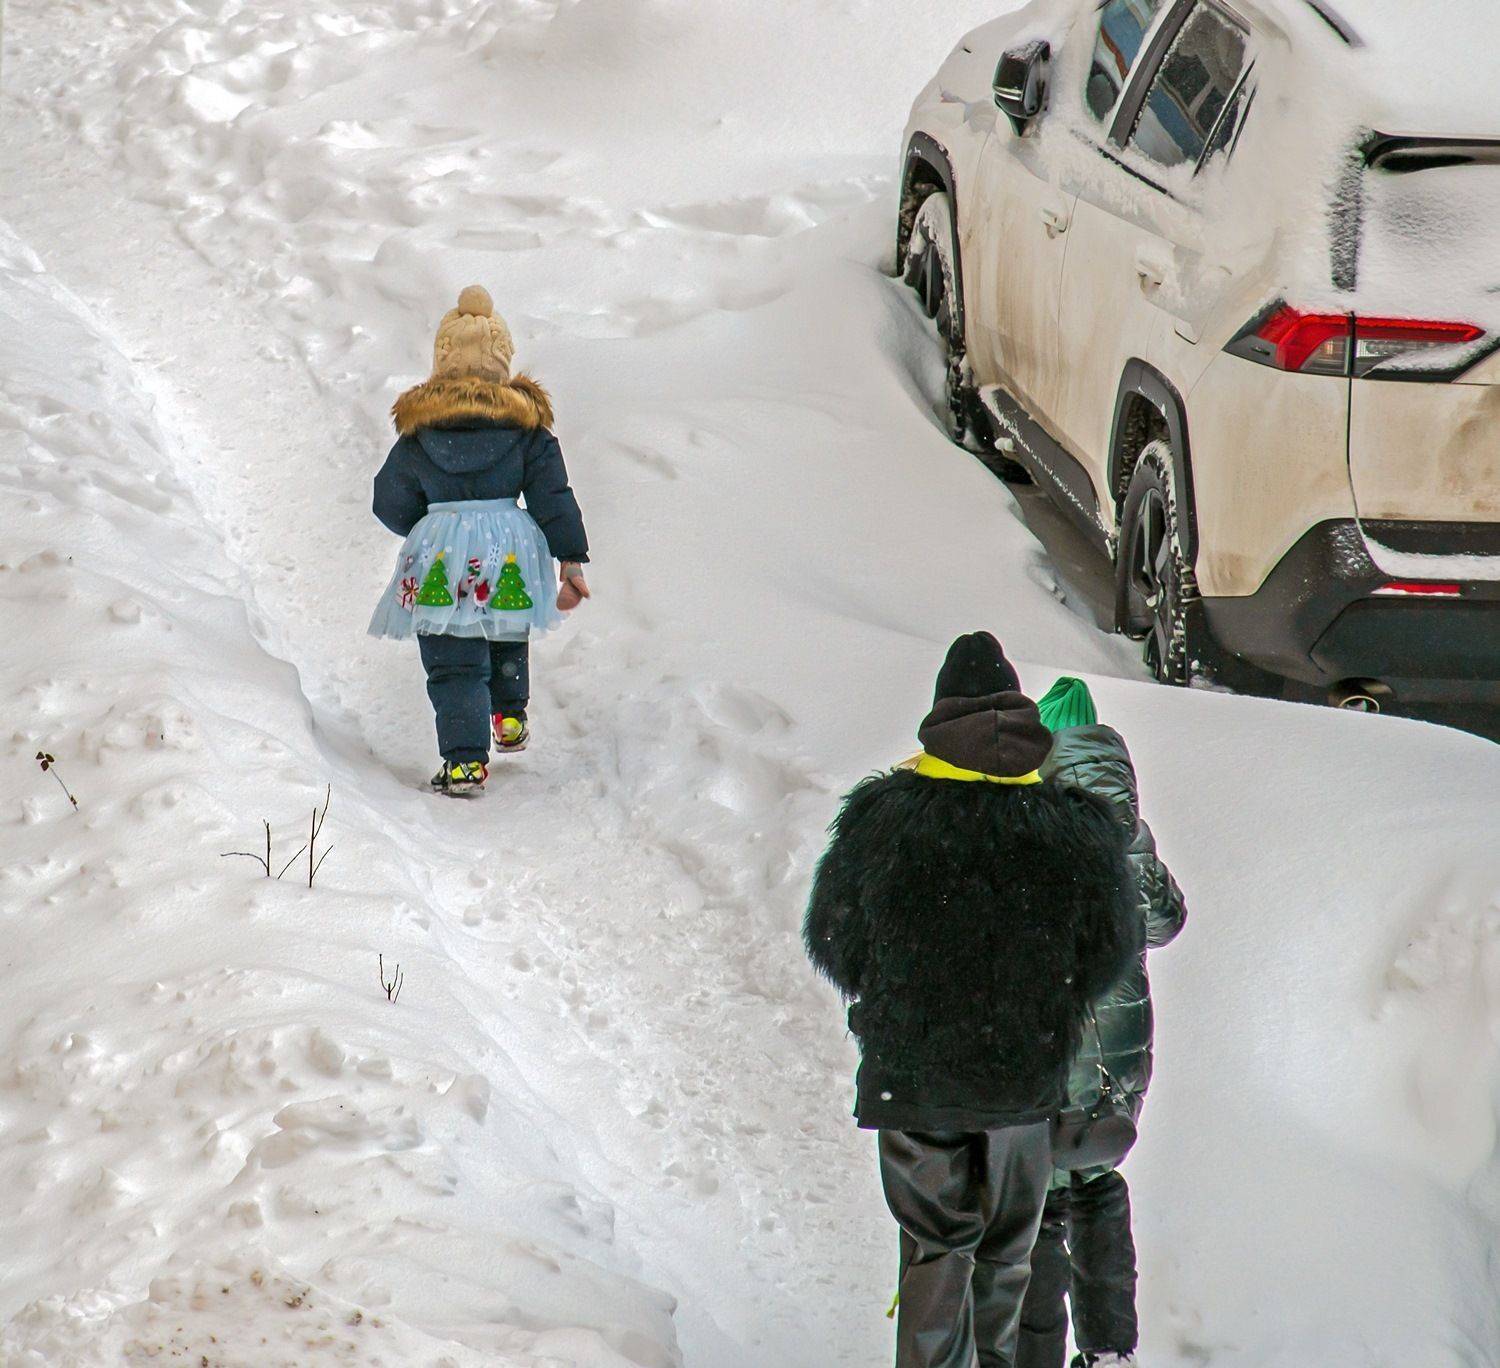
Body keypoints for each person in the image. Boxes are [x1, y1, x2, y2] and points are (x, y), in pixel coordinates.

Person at [804, 634, 1137, 1368]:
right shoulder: (1077, 830)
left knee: (936, 1250)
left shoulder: (884, 820)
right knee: (1008, 1255)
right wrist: (1042, 1004)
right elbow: (1109, 952)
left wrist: (897, 999)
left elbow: (833, 941)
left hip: (916, 1081)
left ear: (939, 723)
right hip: (1024, 1082)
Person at [1015, 677, 1188, 1368]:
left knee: (1045, 1206)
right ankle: (1112, 1349)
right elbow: (1167, 922)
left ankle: (1039, 1353)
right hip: (1125, 1056)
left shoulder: (1050, 832)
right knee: (1099, 1188)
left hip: (1068, 1053)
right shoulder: (1127, 831)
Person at [368, 286, 591, 795]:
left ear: (441, 361)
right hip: (507, 540)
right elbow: (551, 493)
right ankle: (510, 716)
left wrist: (429, 526)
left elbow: (389, 499)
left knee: (453, 652)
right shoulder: (527, 429)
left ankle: (465, 761)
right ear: (503, 358)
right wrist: (571, 558)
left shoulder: (420, 433)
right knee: (506, 621)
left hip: (444, 547)